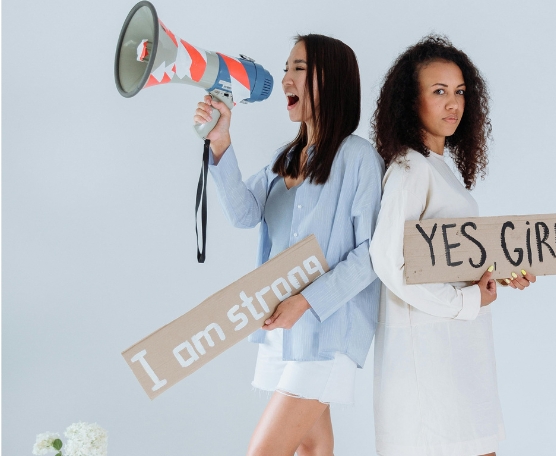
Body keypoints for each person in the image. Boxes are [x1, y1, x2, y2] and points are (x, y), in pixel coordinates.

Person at [194, 34, 383, 456]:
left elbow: (371, 255)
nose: (284, 80)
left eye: (298, 68)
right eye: (286, 69)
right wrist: (221, 142)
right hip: (285, 334)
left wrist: (306, 301)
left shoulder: (359, 159)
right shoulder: (286, 158)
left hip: (327, 335)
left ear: (330, 80)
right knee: (313, 449)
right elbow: (245, 214)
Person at [369, 35, 535, 456]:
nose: (453, 103)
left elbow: (446, 259)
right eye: (439, 91)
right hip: (429, 363)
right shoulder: (410, 169)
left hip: (457, 356)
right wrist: (466, 302)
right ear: (410, 101)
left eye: (460, 92)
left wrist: (498, 273)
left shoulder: (438, 169)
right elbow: (389, 261)